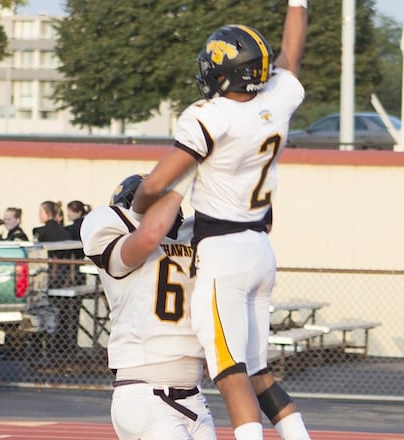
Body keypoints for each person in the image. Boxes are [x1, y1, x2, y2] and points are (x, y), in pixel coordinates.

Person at [131, 2, 310, 439]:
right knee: (259, 372)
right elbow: (291, 54)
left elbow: (156, 183)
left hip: (223, 252)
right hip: (260, 249)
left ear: (226, 72)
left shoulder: (211, 117)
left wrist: (137, 205)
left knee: (229, 372)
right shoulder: (278, 100)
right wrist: (298, 5)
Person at [80, 174, 214, 440]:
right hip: (144, 391)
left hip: (194, 395)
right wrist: (186, 168)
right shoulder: (116, 231)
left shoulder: (191, 234)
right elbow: (146, 237)